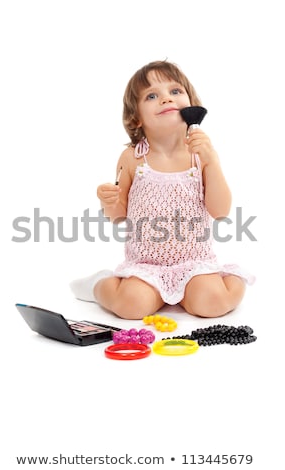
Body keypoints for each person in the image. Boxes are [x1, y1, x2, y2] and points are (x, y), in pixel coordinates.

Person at [70, 60, 255, 319]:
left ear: (192, 106)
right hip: (146, 265)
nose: (166, 99)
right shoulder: (132, 158)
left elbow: (220, 210)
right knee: (131, 306)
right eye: (152, 95)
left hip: (194, 262)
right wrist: (108, 200)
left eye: (175, 92)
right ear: (136, 118)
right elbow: (118, 216)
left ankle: (233, 278)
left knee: (213, 303)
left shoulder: (200, 154)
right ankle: (99, 285)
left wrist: (212, 162)